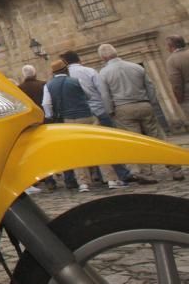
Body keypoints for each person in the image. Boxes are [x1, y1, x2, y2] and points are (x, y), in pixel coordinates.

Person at [98, 44, 184, 181]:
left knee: (136, 142)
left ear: (103, 57)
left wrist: (110, 111)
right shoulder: (136, 67)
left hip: (123, 108)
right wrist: (151, 103)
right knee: (158, 137)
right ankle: (175, 169)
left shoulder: (104, 73)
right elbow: (150, 87)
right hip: (144, 104)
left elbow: (105, 95)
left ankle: (147, 174)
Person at [42, 60, 126, 192]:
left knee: (75, 152)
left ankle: (83, 183)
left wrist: (50, 115)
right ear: (66, 70)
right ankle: (111, 179)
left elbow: (46, 104)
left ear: (53, 72)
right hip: (86, 116)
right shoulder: (76, 81)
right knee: (98, 148)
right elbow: (88, 95)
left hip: (67, 120)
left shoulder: (48, 86)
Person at [59, 50, 134, 184]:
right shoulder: (90, 71)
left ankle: (96, 175)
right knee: (108, 145)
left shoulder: (66, 77)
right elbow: (102, 91)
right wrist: (108, 109)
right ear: (79, 59)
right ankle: (120, 173)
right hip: (98, 111)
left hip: (78, 115)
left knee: (85, 147)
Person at [166, 35, 189, 125]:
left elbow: (176, 83)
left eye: (167, 46)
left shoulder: (172, 60)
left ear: (171, 46)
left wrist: (179, 99)